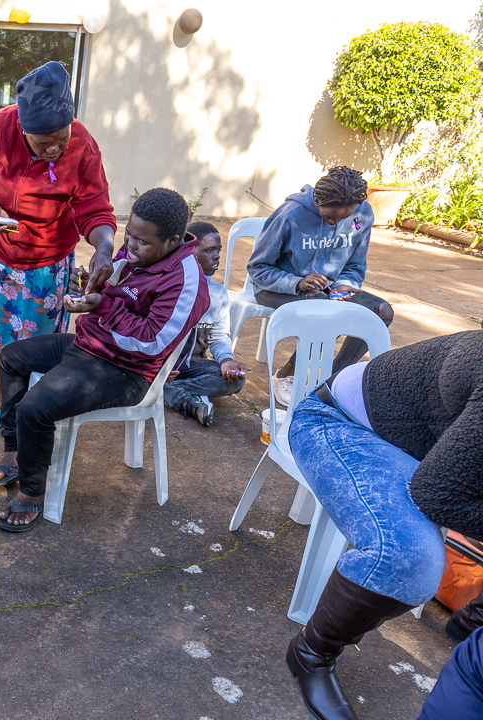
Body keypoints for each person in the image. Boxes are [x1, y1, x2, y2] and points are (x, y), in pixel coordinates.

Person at [0, 189, 209, 533]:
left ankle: (31, 492)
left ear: (173, 240)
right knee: (12, 357)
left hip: (126, 371)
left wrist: (101, 305)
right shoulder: (139, 250)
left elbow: (150, 341)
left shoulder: (187, 280)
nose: (129, 247)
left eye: (140, 242)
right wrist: (92, 285)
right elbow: (116, 288)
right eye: (128, 235)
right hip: (89, 345)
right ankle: (14, 451)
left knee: (34, 407)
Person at [285, 328, 483, 720]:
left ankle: (470, 622)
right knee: (409, 556)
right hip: (337, 422)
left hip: (421, 450)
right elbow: (437, 494)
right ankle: (312, 652)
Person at [0, 61, 117, 435]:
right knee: (3, 340)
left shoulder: (82, 147)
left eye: (60, 138)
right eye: (42, 141)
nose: (54, 148)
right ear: (22, 127)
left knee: (41, 346)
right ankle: (9, 409)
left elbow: (95, 208)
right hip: (0, 260)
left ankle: (33, 416)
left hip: (47, 265)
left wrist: (104, 247)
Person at [247, 166, 393, 405]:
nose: (336, 222)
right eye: (329, 217)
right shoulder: (291, 214)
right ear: (317, 200)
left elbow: (356, 264)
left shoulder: (363, 214)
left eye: (343, 218)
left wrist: (346, 284)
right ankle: (286, 374)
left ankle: (333, 379)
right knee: (324, 308)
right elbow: (258, 268)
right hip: (275, 288)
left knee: (380, 312)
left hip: (328, 290)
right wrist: (297, 282)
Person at [163, 222, 250, 426]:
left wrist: (226, 360)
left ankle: (162, 390)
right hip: (161, 364)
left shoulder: (218, 294)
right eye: (209, 250)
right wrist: (159, 369)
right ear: (189, 253)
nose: (217, 256)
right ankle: (179, 396)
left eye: (218, 250)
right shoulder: (168, 287)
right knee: (140, 373)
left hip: (192, 365)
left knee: (236, 380)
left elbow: (219, 337)